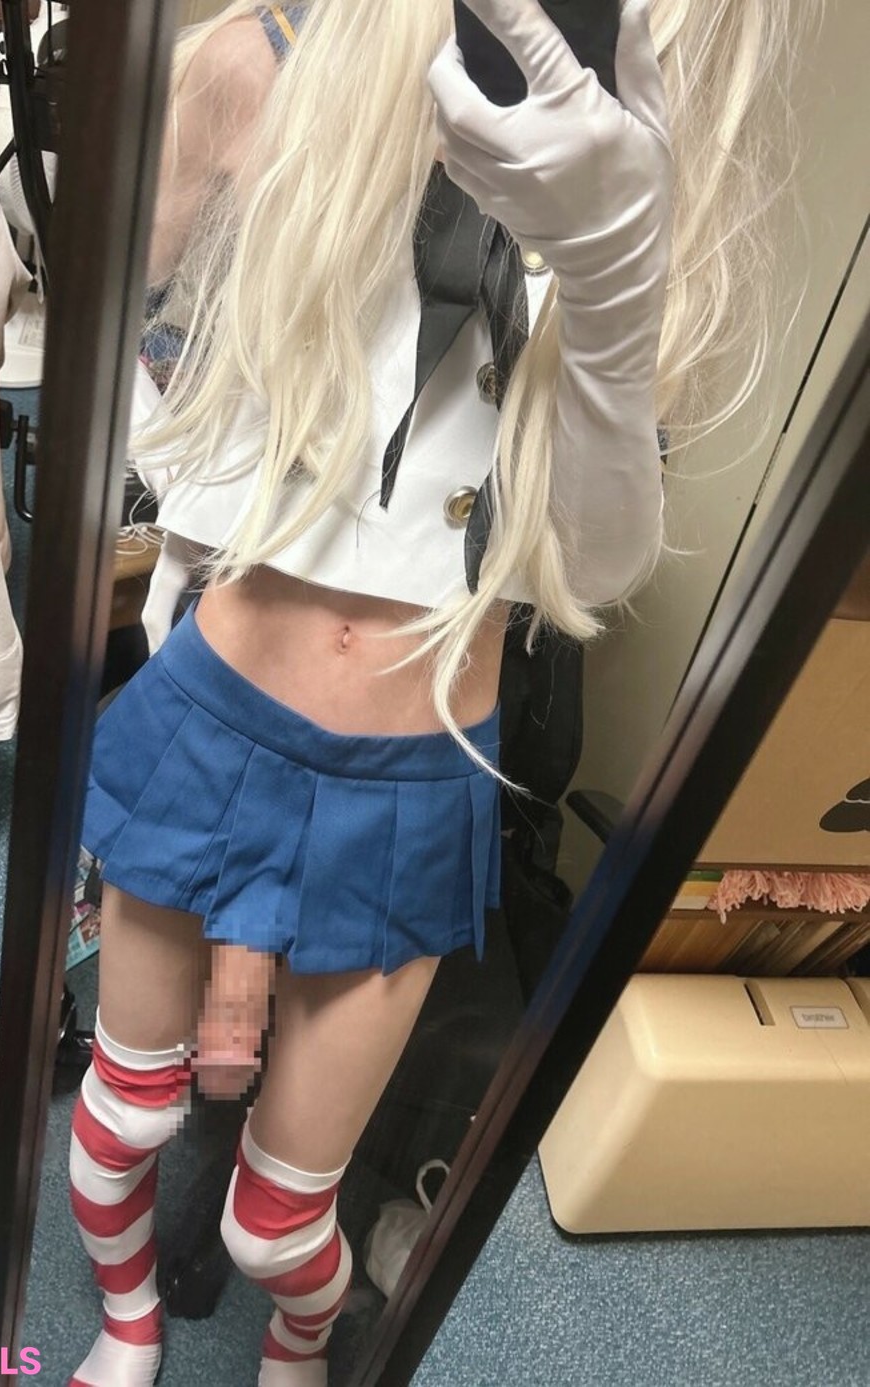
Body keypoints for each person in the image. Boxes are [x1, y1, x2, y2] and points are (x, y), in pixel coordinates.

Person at [67, 2, 807, 1383]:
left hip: (407, 782)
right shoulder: (259, 66)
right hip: (215, 706)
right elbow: (97, 318)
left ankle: (298, 1352)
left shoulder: (640, 184)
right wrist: (183, 488)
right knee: (121, 1127)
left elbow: (586, 570)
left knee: (278, 1230)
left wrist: (611, 283)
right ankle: (125, 1325)